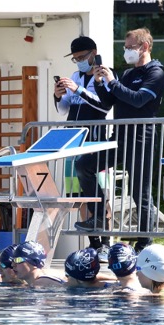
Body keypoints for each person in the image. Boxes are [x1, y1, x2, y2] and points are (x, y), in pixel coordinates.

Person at [77, 27, 164, 254]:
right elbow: (108, 102)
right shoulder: (127, 74)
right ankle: (98, 217)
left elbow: (138, 100)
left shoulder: (155, 72)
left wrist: (112, 82)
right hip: (119, 137)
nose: (126, 52)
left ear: (144, 47)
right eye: (125, 48)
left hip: (140, 139)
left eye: (130, 47)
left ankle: (144, 242)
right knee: (84, 166)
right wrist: (99, 82)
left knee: (140, 192)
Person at [55, 36, 116, 261]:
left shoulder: (104, 74)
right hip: (74, 140)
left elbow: (102, 105)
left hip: (96, 139)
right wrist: (58, 95)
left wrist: (79, 90)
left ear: (94, 53)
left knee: (102, 194)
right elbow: (64, 109)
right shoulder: (75, 76)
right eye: (76, 59)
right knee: (81, 195)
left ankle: (107, 243)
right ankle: (93, 243)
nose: (80, 62)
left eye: (82, 57)